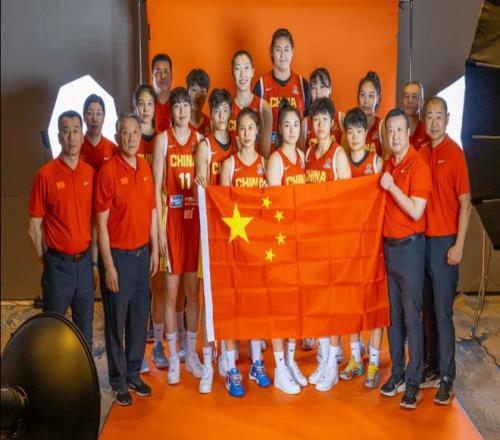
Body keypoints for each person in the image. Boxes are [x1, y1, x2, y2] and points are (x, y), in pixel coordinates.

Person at [95, 113, 159, 406]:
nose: (131, 138)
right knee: (116, 323)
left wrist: (155, 249)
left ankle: (134, 373)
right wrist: (108, 265)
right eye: (125, 132)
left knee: (138, 319)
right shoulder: (108, 172)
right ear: (117, 136)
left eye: (135, 132)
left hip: (142, 255)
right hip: (118, 258)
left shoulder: (144, 168)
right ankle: (118, 380)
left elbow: (152, 210)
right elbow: (101, 224)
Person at [419, 96, 471, 405]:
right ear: (424, 120)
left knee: (442, 312)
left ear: (448, 119)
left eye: (439, 116)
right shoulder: (421, 153)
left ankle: (448, 376)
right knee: (426, 311)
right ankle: (432, 367)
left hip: (445, 244)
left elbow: (465, 203)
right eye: (429, 116)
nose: (434, 122)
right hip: (422, 244)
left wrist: (459, 245)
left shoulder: (455, 154)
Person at [28, 110, 95, 349]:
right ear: (58, 137)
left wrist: (93, 263)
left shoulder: (89, 173)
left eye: (76, 130)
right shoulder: (45, 176)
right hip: (57, 267)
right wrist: (47, 262)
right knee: (52, 332)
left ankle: (84, 375)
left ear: (82, 135)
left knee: (85, 332)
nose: (71, 137)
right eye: (66, 131)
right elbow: (33, 229)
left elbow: (94, 222)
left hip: (84, 266)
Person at [379, 108, 432, 410]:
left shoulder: (418, 165)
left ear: (408, 132)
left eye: (400, 130)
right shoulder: (389, 163)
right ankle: (397, 373)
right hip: (389, 249)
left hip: (410, 249)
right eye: (390, 131)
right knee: (393, 317)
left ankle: (413, 382)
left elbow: (415, 210)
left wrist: (391, 187)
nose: (395, 136)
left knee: (412, 317)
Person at [152, 87, 205, 385]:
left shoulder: (199, 141)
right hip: (171, 224)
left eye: (186, 105)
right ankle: (173, 358)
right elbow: (155, 189)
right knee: (171, 295)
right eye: (178, 106)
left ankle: (192, 355)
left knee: (192, 294)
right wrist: (159, 231)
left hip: (193, 224)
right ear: (170, 110)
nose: (183, 110)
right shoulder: (163, 141)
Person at [218, 108, 270, 397]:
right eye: (243, 128)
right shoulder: (230, 165)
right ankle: (230, 368)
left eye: (251, 128)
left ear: (258, 132)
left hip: (258, 246)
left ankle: (256, 363)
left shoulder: (265, 165)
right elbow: (221, 208)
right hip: (234, 247)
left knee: (256, 306)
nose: (247, 133)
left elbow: (272, 206)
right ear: (236, 132)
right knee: (232, 307)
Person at [305, 97, 351, 392]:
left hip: (332, 236)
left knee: (332, 303)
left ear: (333, 123)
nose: (320, 124)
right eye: (316, 119)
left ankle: (333, 364)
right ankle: (323, 359)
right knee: (319, 302)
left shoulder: (338, 155)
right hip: (312, 237)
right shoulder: (310, 152)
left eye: (325, 119)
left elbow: (346, 202)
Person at [194, 88, 237, 393]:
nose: (221, 116)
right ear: (211, 113)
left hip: (232, 230)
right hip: (210, 232)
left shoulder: (236, 143)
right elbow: (201, 188)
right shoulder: (204, 146)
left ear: (231, 113)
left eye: (225, 110)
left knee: (229, 296)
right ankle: (207, 363)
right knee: (208, 298)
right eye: (217, 110)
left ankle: (225, 354)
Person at [338, 107, 384, 388]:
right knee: (351, 303)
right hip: (349, 244)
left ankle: (375, 361)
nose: (354, 136)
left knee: (376, 302)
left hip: (373, 243)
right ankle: (355, 357)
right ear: (346, 133)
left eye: (359, 130)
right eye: (350, 131)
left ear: (367, 133)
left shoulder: (376, 163)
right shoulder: (341, 162)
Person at [266, 100, 308, 395]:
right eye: (287, 125)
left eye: (296, 125)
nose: (292, 130)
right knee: (281, 306)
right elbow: (272, 208)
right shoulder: (276, 160)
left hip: (300, 240)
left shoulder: (303, 157)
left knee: (296, 306)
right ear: (279, 129)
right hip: (281, 240)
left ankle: (291, 361)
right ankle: (280, 367)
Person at [133, 83, 169, 372]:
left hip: (156, 218)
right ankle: (135, 351)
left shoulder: (161, 140)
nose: (145, 109)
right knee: (135, 291)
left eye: (149, 104)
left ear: (156, 108)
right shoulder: (129, 140)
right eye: (140, 104)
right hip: (132, 222)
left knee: (157, 288)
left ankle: (157, 345)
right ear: (134, 106)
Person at [254, 28, 311, 150]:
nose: (282, 55)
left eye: (286, 49)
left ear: (293, 51)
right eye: (278, 50)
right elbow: (253, 126)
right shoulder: (261, 86)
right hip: (268, 154)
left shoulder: (303, 85)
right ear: (271, 52)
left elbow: (309, 126)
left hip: (296, 155)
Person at [229, 50, 272, 158]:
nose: (242, 74)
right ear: (232, 73)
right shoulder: (226, 108)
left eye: (246, 68)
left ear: (252, 72)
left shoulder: (264, 107)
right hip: (230, 165)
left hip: (256, 167)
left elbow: (265, 154)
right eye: (238, 68)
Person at [306, 68, 343, 150]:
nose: (318, 93)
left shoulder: (340, 118)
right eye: (314, 87)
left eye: (322, 86)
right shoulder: (305, 124)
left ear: (330, 89)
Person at [80, 94, 116, 171]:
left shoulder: (113, 149)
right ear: (84, 117)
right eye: (90, 113)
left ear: (104, 117)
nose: (94, 119)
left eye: (98, 114)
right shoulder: (75, 147)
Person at [356, 72, 388, 158]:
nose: (366, 101)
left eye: (371, 96)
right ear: (358, 97)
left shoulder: (382, 126)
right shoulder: (351, 125)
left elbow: (388, 158)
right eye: (362, 95)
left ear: (377, 99)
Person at [401, 81, 429, 150]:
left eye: (414, 97)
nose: (409, 101)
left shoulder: (428, 131)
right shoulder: (396, 130)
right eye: (406, 96)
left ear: (421, 103)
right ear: (402, 101)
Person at [151, 53, 173, 133]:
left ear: (171, 76)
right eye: (158, 71)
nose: (163, 76)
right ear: (152, 76)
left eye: (166, 71)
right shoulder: (145, 103)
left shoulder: (179, 102)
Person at [187, 69, 211, 137]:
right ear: (187, 91)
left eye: (202, 91)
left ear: (207, 94)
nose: (198, 96)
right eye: (194, 90)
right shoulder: (179, 122)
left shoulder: (211, 124)